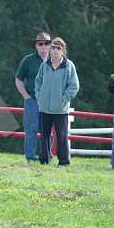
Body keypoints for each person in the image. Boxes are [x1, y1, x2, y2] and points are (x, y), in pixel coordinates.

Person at [35, 37, 80, 167]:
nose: (55, 50)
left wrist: (63, 99)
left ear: (63, 50)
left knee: (61, 135)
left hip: (61, 109)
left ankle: (63, 162)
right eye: (53, 47)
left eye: (58, 48)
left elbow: (74, 86)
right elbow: (38, 82)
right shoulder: (44, 65)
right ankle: (44, 159)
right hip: (44, 107)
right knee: (44, 135)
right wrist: (39, 97)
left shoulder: (69, 66)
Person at [15, 32, 51, 162]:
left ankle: (46, 156)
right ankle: (30, 157)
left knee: (48, 130)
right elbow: (18, 79)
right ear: (36, 46)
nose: (44, 46)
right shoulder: (28, 60)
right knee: (31, 129)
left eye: (47, 43)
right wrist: (26, 97)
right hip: (32, 99)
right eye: (40, 44)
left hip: (50, 102)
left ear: (50, 45)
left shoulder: (57, 60)